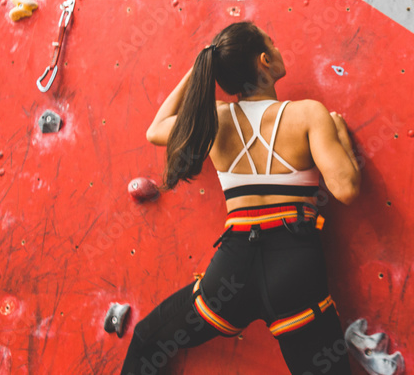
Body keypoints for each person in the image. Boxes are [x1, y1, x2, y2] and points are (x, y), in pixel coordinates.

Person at [120, 21, 360, 375]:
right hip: (294, 268)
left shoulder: (213, 119)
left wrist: (201, 66)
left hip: (231, 274)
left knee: (147, 339)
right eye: (273, 43)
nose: (278, 49)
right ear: (265, 60)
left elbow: (156, 129)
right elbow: (347, 190)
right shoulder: (308, 114)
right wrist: (341, 137)